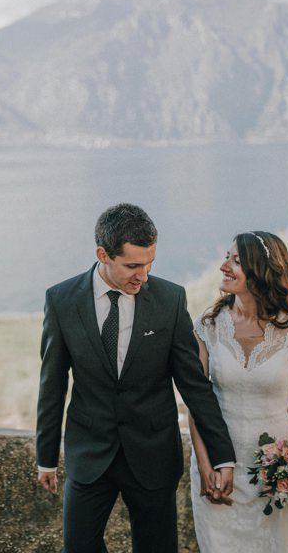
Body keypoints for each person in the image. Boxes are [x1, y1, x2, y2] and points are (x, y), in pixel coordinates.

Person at [35, 203, 235, 553]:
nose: (142, 276)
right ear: (103, 255)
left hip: (153, 453)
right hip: (89, 453)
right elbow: (52, 383)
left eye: (149, 264)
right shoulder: (61, 300)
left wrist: (222, 455)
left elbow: (193, 384)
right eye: (132, 266)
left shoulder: (170, 299)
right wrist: (46, 456)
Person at [190, 231, 288, 552]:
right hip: (221, 466)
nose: (224, 266)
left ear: (262, 272)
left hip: (275, 468)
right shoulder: (208, 326)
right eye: (226, 257)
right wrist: (206, 465)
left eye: (236, 261)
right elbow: (198, 400)